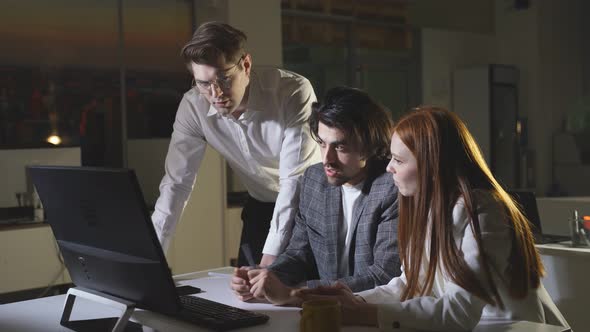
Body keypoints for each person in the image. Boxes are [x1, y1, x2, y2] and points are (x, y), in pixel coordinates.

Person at [297, 107, 569, 330]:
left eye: (399, 160)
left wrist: (361, 313)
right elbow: (409, 285)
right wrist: (352, 300)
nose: (389, 168)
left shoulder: (484, 211)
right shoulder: (426, 209)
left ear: (432, 165)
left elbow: (458, 312)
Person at [151, 22, 320, 267]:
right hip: (261, 205)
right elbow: (176, 184)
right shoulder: (193, 106)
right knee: (245, 295)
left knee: (305, 294)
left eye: (224, 79)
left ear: (246, 65)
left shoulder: (292, 91)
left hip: (311, 207)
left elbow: (293, 179)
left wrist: (269, 264)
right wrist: (153, 259)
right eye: (204, 83)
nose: (216, 93)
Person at [231, 87, 402, 305]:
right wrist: (265, 278)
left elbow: (384, 276)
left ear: (369, 146)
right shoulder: (314, 180)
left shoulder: (392, 187)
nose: (327, 159)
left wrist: (298, 292)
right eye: (321, 143)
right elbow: (298, 254)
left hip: (372, 312)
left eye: (340, 147)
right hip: (323, 314)